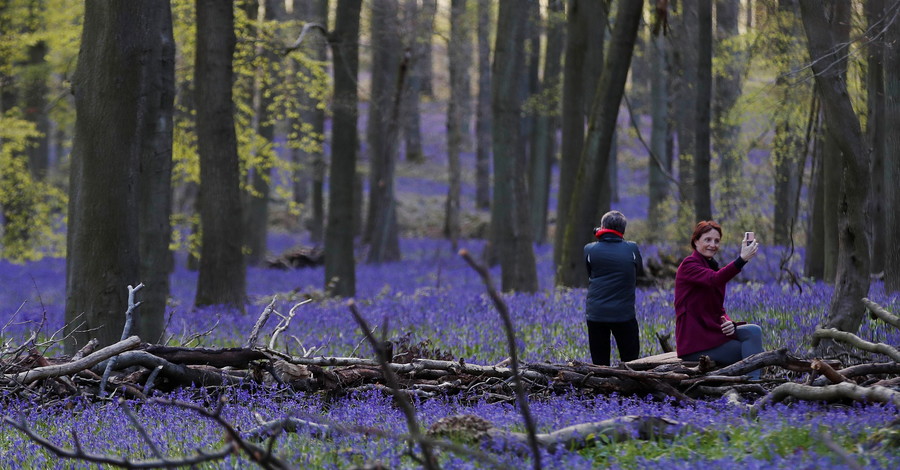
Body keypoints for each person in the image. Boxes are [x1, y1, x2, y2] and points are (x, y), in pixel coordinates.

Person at [674, 220, 764, 378]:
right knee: (754, 352)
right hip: (696, 343)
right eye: (707, 240)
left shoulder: (711, 266)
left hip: (713, 334)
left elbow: (718, 308)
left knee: (754, 331)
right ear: (696, 241)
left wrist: (728, 322)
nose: (712, 245)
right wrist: (741, 260)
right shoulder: (689, 265)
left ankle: (752, 383)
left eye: (716, 241)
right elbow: (715, 279)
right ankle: (753, 386)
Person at [584, 210, 645, 366]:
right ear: (623, 230)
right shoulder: (632, 248)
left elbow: (590, 272)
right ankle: (631, 388)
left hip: (596, 314)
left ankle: (601, 389)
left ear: (602, 226)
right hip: (624, 314)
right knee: (631, 362)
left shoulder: (590, 249)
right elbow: (639, 271)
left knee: (600, 363)